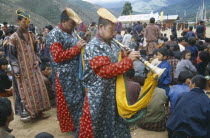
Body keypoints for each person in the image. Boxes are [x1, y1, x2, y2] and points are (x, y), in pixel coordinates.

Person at [78, 8, 140, 137]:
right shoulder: (93, 46)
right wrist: (128, 60)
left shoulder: (112, 43)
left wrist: (124, 55)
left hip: (114, 94)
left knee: (116, 125)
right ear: (101, 27)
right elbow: (105, 71)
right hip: (99, 96)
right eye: (111, 30)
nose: (113, 34)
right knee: (97, 126)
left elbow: (115, 62)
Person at [46, 8, 86, 133]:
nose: (74, 26)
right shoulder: (54, 34)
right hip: (64, 77)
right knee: (70, 102)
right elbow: (57, 57)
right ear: (63, 21)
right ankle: (73, 127)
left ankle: (79, 124)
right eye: (71, 23)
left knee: (79, 99)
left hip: (75, 74)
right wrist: (76, 48)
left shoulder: (71, 32)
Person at [8, 9, 51, 121]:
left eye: (28, 23)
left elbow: (37, 50)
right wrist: (16, 70)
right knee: (25, 93)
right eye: (24, 22)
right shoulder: (13, 38)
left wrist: (37, 60)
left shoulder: (32, 36)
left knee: (38, 89)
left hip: (33, 68)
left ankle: (39, 112)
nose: (26, 25)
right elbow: (12, 57)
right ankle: (30, 114)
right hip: (22, 71)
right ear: (18, 21)